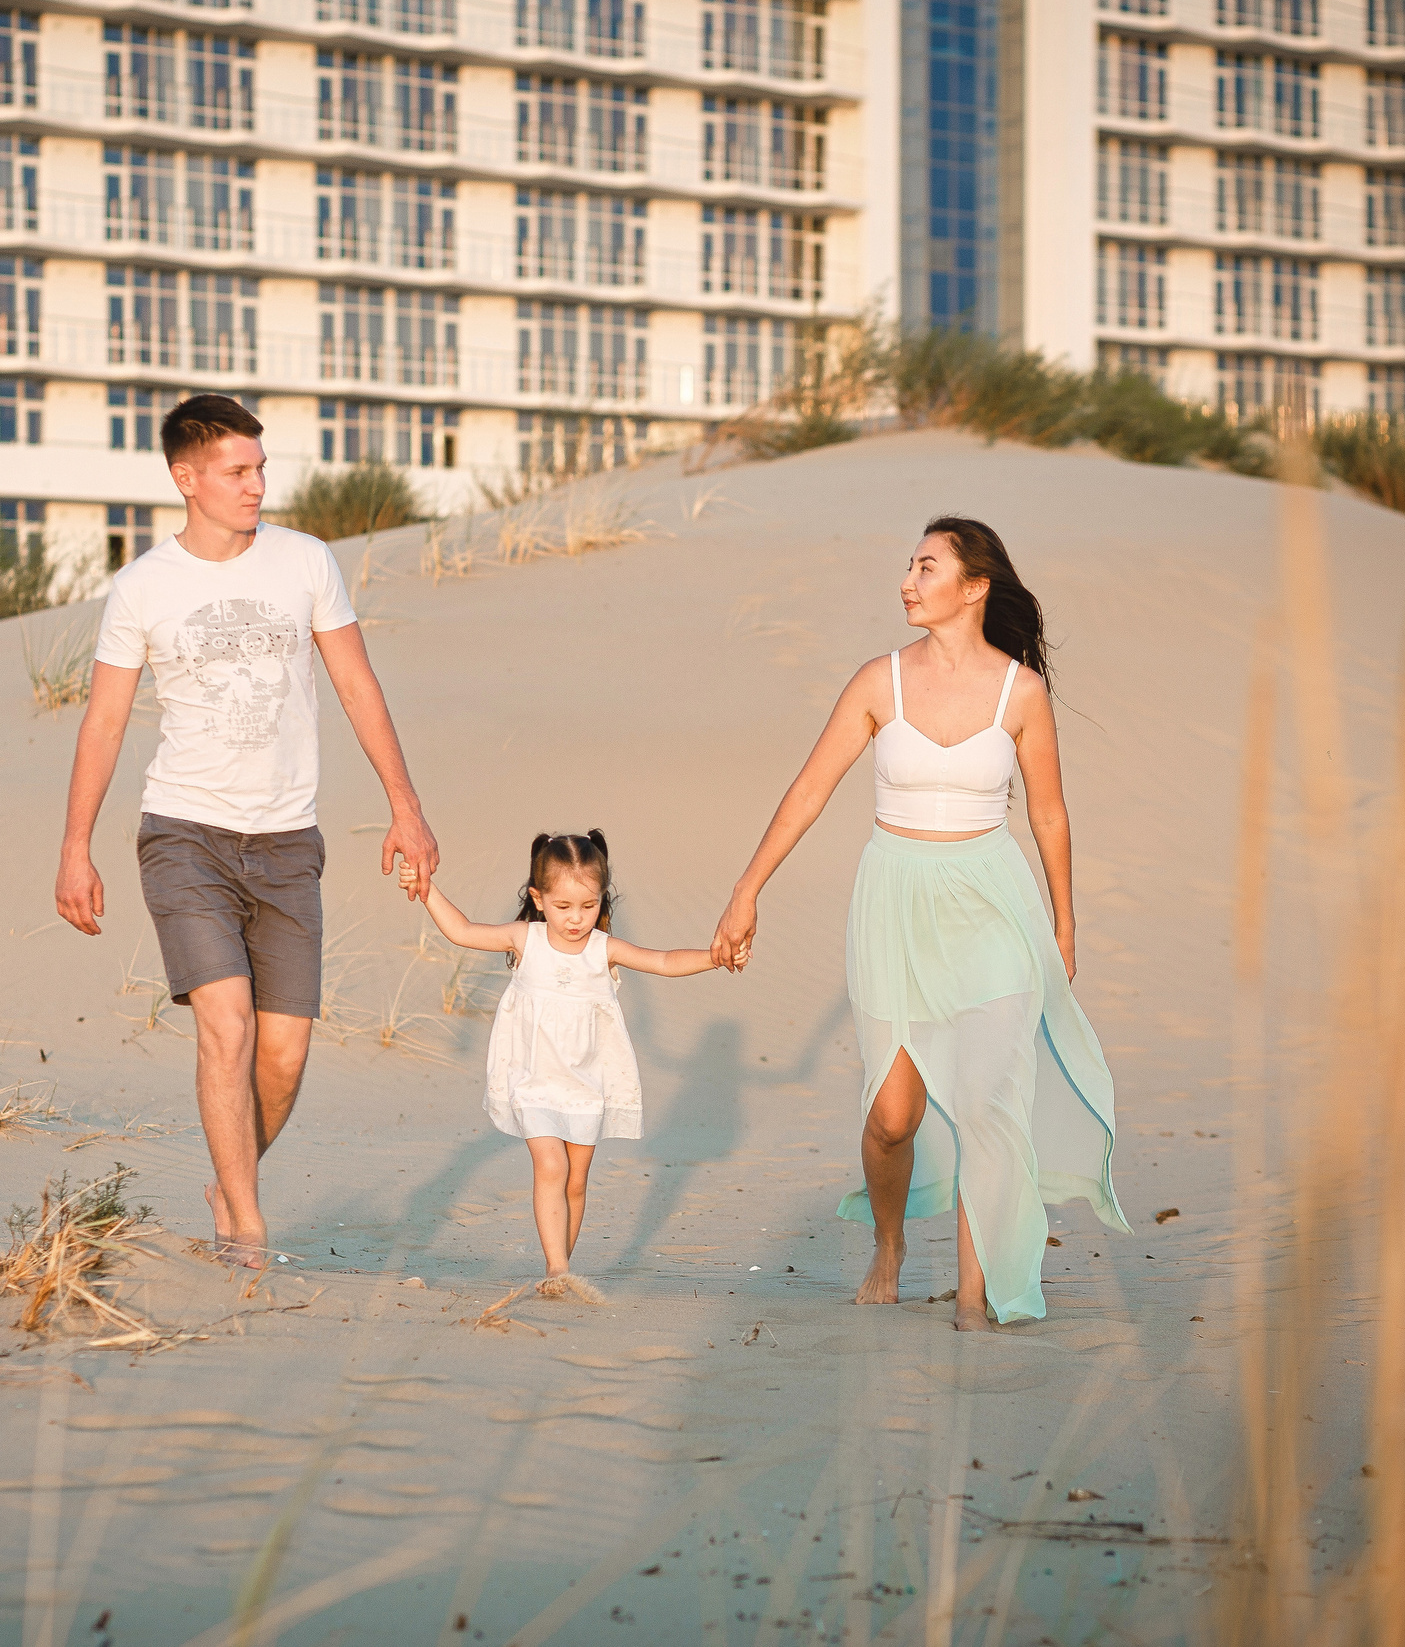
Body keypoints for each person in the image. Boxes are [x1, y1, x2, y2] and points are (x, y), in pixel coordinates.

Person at [709, 517, 1128, 1330]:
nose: (907, 579)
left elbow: (1048, 815)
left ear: (973, 586)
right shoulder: (878, 682)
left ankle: (978, 1295)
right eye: (909, 564)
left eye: (926, 566)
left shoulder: (1023, 693)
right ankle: (890, 1241)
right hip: (895, 901)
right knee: (894, 1115)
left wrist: (1064, 926)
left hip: (992, 905)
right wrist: (745, 889)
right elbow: (807, 792)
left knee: (987, 1103)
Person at [55, 394, 438, 1264]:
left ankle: (230, 1184)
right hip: (185, 833)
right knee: (223, 1022)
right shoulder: (144, 587)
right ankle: (247, 1235)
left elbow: (357, 685)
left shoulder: (305, 563)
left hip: (287, 842)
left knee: (285, 1056)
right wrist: (75, 847)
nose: (256, 485)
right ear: (186, 478)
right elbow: (105, 723)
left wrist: (406, 807)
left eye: (260, 467)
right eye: (237, 471)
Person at [400, 832, 719, 1303]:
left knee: (575, 1181)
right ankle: (556, 1267)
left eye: (588, 906)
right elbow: (462, 931)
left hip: (588, 1083)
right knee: (549, 1164)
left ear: (601, 901)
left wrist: (716, 956)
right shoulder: (524, 939)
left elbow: (664, 961)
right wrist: (426, 888)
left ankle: (559, 1273)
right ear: (538, 897)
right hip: (534, 1079)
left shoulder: (603, 949)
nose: (575, 919)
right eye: (563, 905)